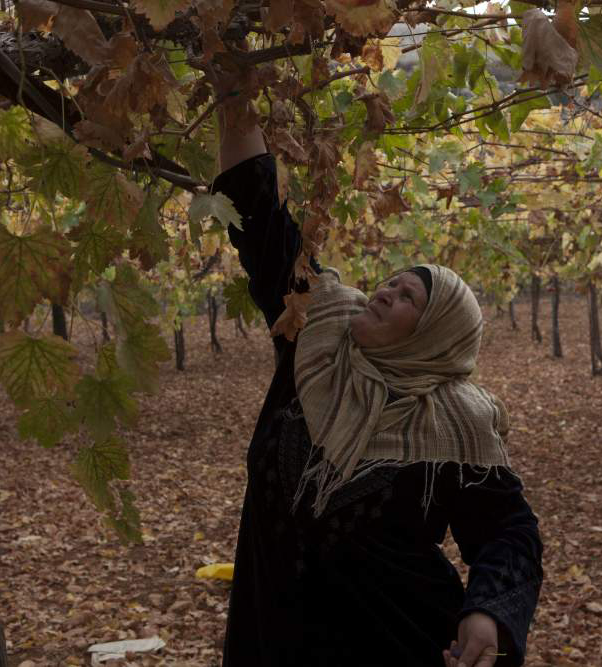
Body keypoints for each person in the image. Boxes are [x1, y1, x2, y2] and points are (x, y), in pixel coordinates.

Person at [210, 95, 543, 667]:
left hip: (396, 642)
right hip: (270, 640)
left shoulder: (455, 423)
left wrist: (487, 609)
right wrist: (231, 75)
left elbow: (508, 532)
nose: (386, 290)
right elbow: (259, 215)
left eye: (410, 296)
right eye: (390, 281)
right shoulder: (314, 340)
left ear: (435, 335)